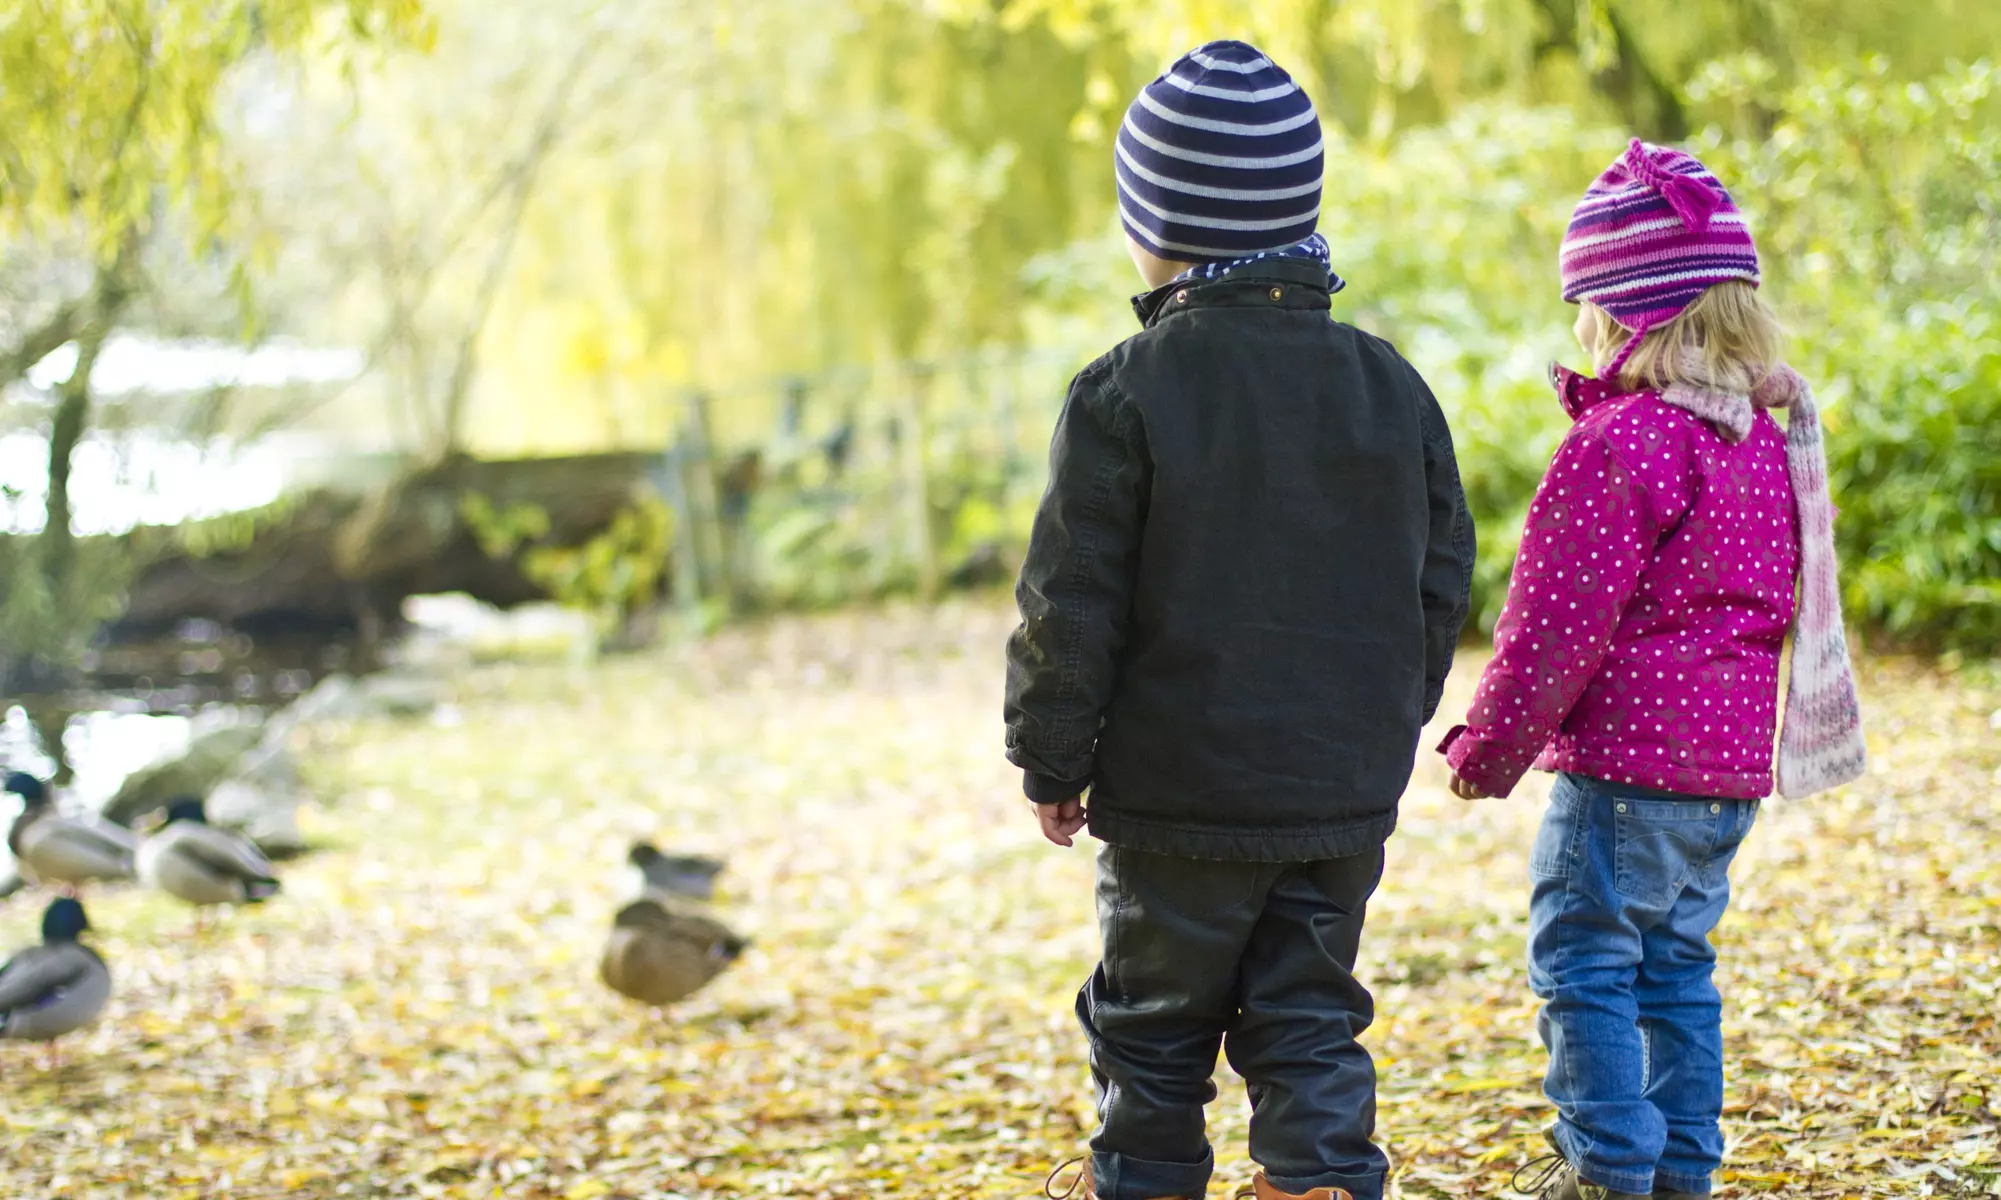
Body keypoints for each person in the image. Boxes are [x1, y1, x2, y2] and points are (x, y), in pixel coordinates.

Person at [1005, 39, 1476, 1200]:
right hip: (1335, 798)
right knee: (1311, 1020)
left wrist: (1051, 758)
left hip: (1177, 804)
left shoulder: (1124, 392)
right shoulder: (1390, 385)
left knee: (1154, 1028)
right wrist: (1382, 731)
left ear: (1152, 223)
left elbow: (1072, 602)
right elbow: (1439, 581)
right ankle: (1316, 1182)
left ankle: (1147, 1183)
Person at [1440, 139, 1867, 1200]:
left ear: (1627, 312)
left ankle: (1607, 1170)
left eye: (1588, 305)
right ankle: (1682, 1170)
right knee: (1677, 971)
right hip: (1723, 777)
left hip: (1626, 778)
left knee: (1582, 964)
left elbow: (1552, 624)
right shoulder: (1761, 438)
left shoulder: (1625, 440)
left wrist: (1487, 750)